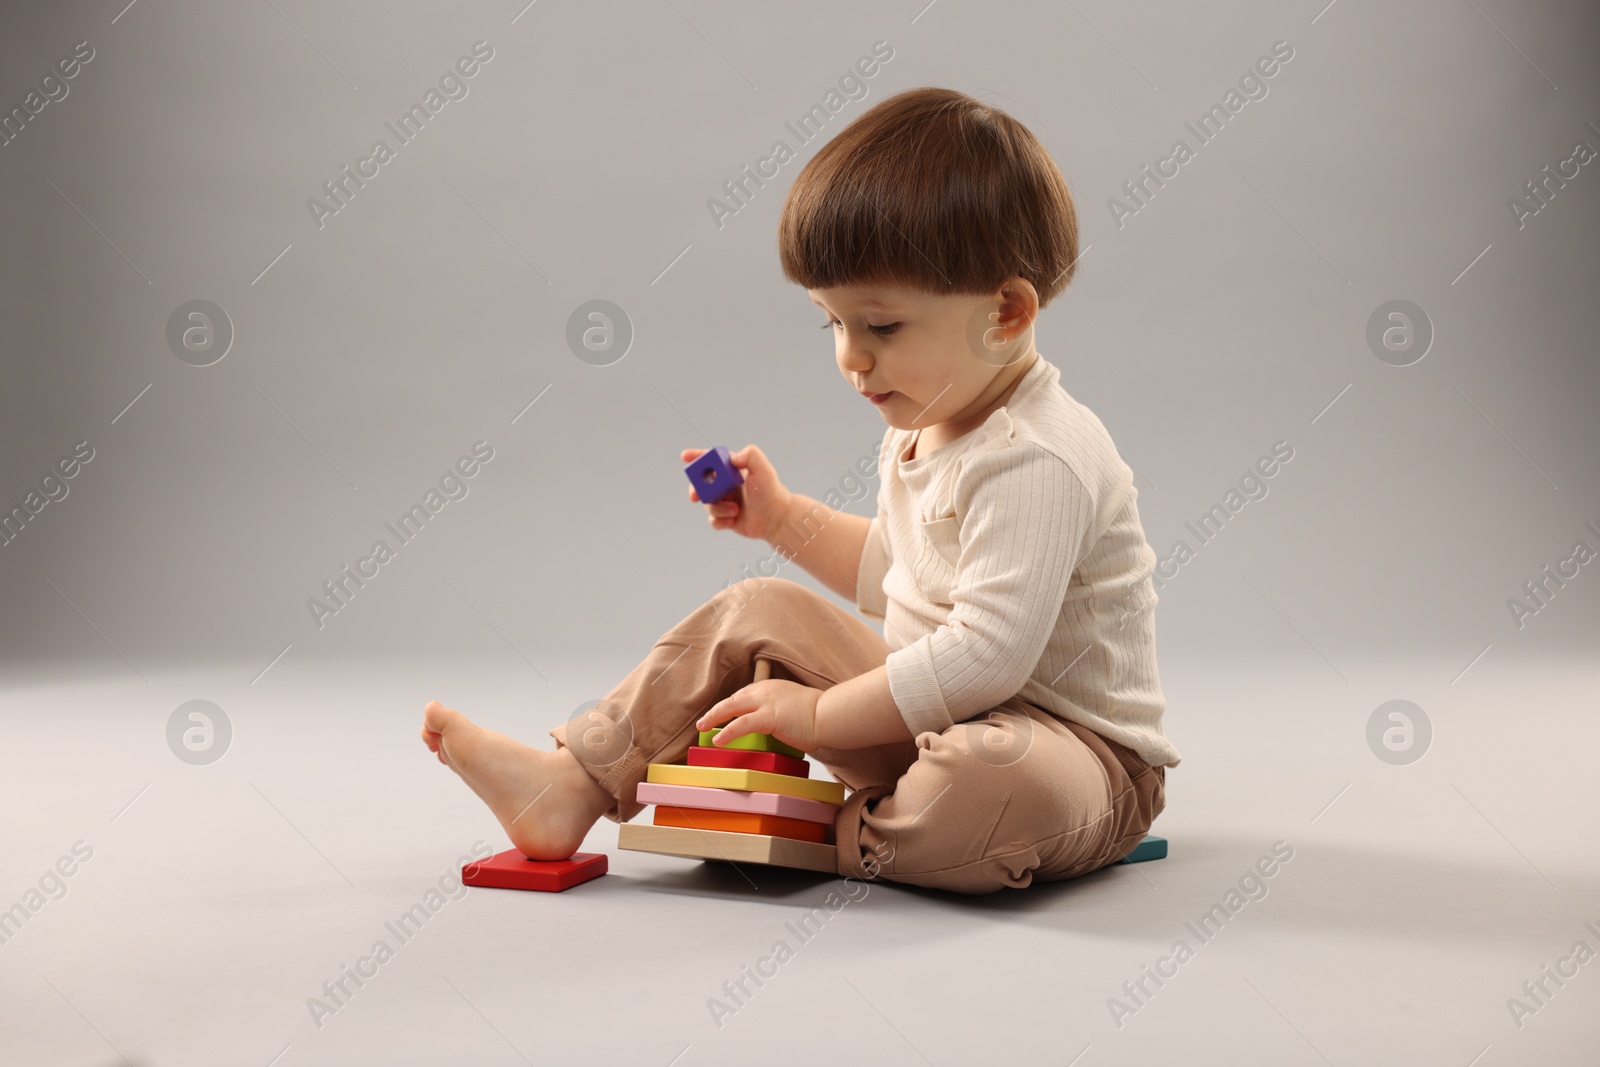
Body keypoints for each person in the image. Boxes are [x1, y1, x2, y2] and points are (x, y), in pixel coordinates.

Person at [421, 86, 1180, 894]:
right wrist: (782, 520)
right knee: (754, 608)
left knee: (985, 784)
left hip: (1073, 755)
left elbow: (988, 655)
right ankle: (571, 783)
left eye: (881, 326)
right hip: (933, 714)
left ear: (1006, 310)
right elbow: (896, 571)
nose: (852, 356)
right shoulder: (929, 421)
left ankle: (823, 831)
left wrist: (817, 720)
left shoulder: (1037, 456)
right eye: (833, 322)